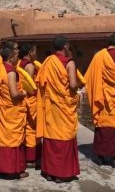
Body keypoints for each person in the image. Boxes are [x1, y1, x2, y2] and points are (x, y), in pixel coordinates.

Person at [84, 32, 115, 168]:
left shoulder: (99, 56)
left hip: (103, 95)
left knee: (103, 124)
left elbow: (88, 77)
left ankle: (100, 156)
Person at [36, 35, 80, 183]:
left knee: (51, 136)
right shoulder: (69, 63)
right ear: (66, 46)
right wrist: (78, 90)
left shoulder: (48, 61)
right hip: (64, 105)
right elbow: (73, 85)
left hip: (51, 105)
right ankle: (61, 174)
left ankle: (49, 172)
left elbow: (40, 82)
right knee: (64, 136)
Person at [0, 41, 29, 180]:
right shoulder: (10, 71)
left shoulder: (0, 69)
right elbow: (14, 94)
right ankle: (14, 171)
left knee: (3, 140)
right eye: (16, 55)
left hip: (4, 112)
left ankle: (3, 170)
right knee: (13, 141)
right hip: (11, 113)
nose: (18, 58)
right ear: (10, 57)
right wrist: (25, 93)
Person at [18, 42, 42, 169]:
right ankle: (31, 158)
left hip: (22, 99)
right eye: (34, 50)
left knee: (25, 128)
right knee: (32, 129)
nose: (36, 53)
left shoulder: (18, 63)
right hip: (30, 99)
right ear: (30, 52)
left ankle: (26, 157)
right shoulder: (30, 66)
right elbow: (31, 88)